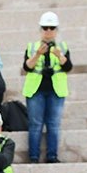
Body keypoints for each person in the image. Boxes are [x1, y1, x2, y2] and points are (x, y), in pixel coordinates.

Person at [23, 11, 72, 164]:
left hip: (56, 90)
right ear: (41, 29)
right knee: (35, 124)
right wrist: (38, 54)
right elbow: (27, 67)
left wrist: (59, 56)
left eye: (52, 28)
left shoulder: (62, 47)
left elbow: (68, 67)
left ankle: (52, 156)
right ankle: (33, 157)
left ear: (56, 30)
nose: (48, 31)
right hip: (35, 90)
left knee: (53, 124)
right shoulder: (32, 47)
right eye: (45, 28)